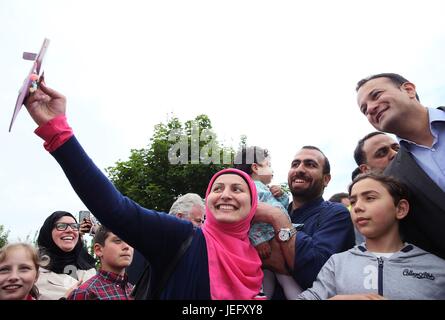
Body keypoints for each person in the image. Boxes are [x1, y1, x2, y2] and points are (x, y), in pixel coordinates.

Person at [23, 81, 265, 299]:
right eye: (217, 188)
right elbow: (116, 209)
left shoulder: (260, 256)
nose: (225, 195)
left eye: (237, 189)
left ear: (253, 203)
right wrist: (57, 132)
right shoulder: (180, 236)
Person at [298, 173, 445, 300]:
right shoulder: (337, 264)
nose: (357, 207)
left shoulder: (437, 269)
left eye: (370, 198)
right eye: (353, 201)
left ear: (400, 209)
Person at [356, 73, 445, 259]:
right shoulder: (393, 180)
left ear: (409, 90)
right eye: (364, 110)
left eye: (376, 95)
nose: (371, 108)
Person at [254, 146, 355, 297]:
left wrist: (277, 217)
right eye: (295, 164)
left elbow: (316, 273)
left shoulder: (336, 214)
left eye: (310, 164)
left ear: (326, 179)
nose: (299, 169)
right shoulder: (275, 208)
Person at [234, 146, 302, 299]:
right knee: (285, 279)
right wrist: (258, 240)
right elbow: (246, 218)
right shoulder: (248, 189)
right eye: (268, 164)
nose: (272, 169)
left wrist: (282, 195)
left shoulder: (263, 188)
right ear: (255, 167)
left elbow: (281, 209)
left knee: (268, 279)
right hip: (268, 241)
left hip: (274, 237)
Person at [126, 193, 205, 284]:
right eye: (198, 221)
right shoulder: (149, 241)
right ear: (179, 217)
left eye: (203, 221)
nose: (202, 226)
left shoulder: (193, 250)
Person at [35, 211, 97, 299]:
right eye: (61, 226)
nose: (70, 230)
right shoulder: (34, 274)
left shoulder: (89, 267)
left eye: (74, 226)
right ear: (48, 232)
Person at [68, 225, 134, 300]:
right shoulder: (86, 293)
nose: (127, 246)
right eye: (118, 241)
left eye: (130, 242)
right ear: (99, 250)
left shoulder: (134, 291)